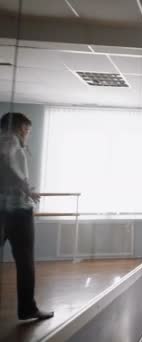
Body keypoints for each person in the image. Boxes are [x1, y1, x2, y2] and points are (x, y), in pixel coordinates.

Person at [0, 112, 53, 320]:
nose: (27, 135)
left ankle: (27, 308)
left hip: (6, 208)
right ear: (20, 127)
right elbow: (4, 162)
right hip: (17, 211)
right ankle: (27, 308)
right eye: (28, 130)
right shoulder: (10, 139)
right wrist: (26, 189)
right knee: (25, 262)